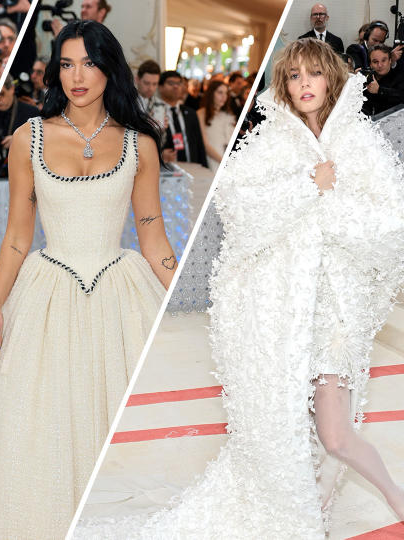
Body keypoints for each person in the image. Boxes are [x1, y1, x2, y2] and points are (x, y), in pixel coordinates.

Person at [75, 37, 404, 539]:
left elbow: (386, 224)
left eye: (312, 74)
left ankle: (393, 496)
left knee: (334, 434)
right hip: (275, 313)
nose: (303, 85)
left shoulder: (358, 141)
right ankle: (305, 513)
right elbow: (242, 215)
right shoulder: (270, 142)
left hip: (335, 316)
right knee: (282, 430)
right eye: (293, 76)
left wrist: (323, 209)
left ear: (331, 78)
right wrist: (307, 186)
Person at [0, 20, 174, 539]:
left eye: (88, 63)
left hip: (120, 295)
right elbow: (18, 234)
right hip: (46, 293)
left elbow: (153, 237)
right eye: (66, 63)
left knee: (116, 426)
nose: (77, 75)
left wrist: (176, 300)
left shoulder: (139, 143)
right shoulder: (28, 138)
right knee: (34, 432)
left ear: (110, 68)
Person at [158, 70, 208, 168]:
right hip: (167, 170)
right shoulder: (154, 114)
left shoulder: (191, 113)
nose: (176, 86)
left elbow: (199, 145)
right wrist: (159, 155)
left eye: (179, 83)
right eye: (171, 83)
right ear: (160, 87)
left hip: (192, 168)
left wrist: (204, 167)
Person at [197, 79, 236, 168]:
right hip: (212, 159)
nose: (224, 96)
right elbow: (205, 144)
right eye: (220, 92)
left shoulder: (227, 114)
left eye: (226, 93)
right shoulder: (201, 113)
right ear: (211, 94)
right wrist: (223, 161)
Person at [363, 44, 404, 115]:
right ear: (370, 64)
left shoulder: (400, 77)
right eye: (375, 62)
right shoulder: (366, 78)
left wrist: (379, 90)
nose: (380, 65)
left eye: (383, 60)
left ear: (390, 61)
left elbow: (401, 96)